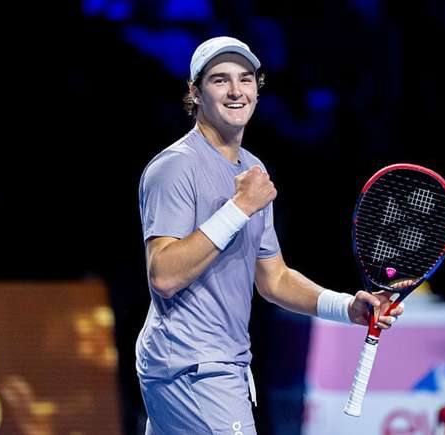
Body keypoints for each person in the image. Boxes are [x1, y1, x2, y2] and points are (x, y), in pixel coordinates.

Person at [135, 36, 405, 434]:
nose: (235, 91)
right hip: (190, 367)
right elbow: (163, 275)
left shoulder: (253, 170)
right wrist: (240, 207)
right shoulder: (174, 168)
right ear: (194, 93)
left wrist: (347, 307)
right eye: (219, 80)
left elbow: (273, 278)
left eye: (245, 80)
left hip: (216, 366)